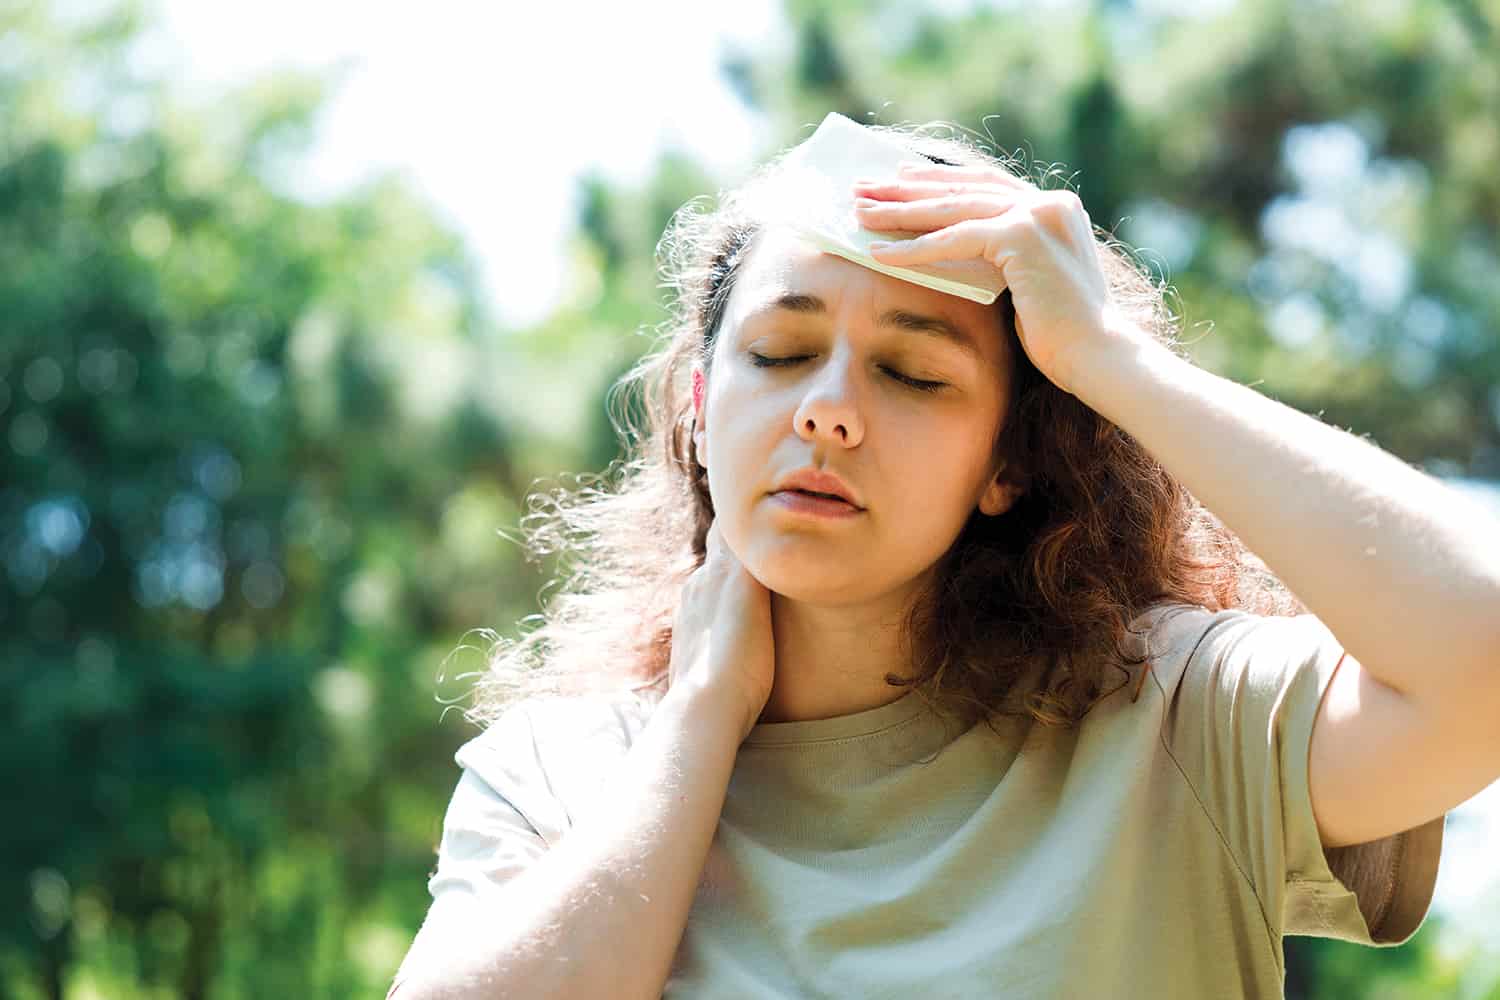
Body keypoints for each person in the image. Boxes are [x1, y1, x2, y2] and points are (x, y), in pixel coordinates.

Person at [388, 117, 1500, 998]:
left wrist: (1107, 358)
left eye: (913, 375)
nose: (826, 411)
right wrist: (699, 721)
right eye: (779, 352)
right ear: (695, 403)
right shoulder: (557, 772)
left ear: (1008, 461)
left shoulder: (1180, 716)